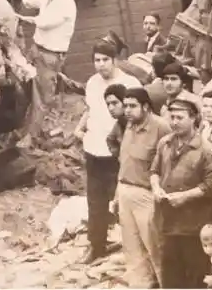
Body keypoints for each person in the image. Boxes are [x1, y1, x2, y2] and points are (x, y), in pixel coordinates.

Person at [73, 42, 139, 264]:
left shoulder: (130, 83)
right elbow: (90, 109)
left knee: (123, 203)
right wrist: (80, 128)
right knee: (95, 201)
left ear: (115, 60)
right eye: (97, 60)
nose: (100, 65)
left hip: (119, 153)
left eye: (105, 60)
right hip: (94, 150)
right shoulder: (92, 83)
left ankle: (134, 249)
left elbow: (139, 116)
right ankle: (97, 245)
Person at [150, 98, 212, 289]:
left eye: (180, 118)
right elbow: (154, 171)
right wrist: (156, 187)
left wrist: (185, 196)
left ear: (193, 119)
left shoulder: (206, 149)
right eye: (172, 117)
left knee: (195, 277)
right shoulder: (165, 143)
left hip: (194, 226)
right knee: (170, 275)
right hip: (168, 222)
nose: (174, 122)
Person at [3, 0, 77, 138]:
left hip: (50, 56)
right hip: (37, 50)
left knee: (41, 99)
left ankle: (32, 137)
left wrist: (18, 17)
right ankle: (23, 129)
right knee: (25, 88)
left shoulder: (65, 3)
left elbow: (44, 23)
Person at [114, 86, 170, 289]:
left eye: (132, 106)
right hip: (125, 190)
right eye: (125, 106)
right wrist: (116, 196)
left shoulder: (161, 127)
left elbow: (168, 165)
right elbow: (124, 163)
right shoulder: (129, 125)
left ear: (146, 106)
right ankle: (141, 285)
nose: (127, 110)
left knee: (155, 246)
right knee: (132, 247)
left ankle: (166, 284)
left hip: (147, 194)